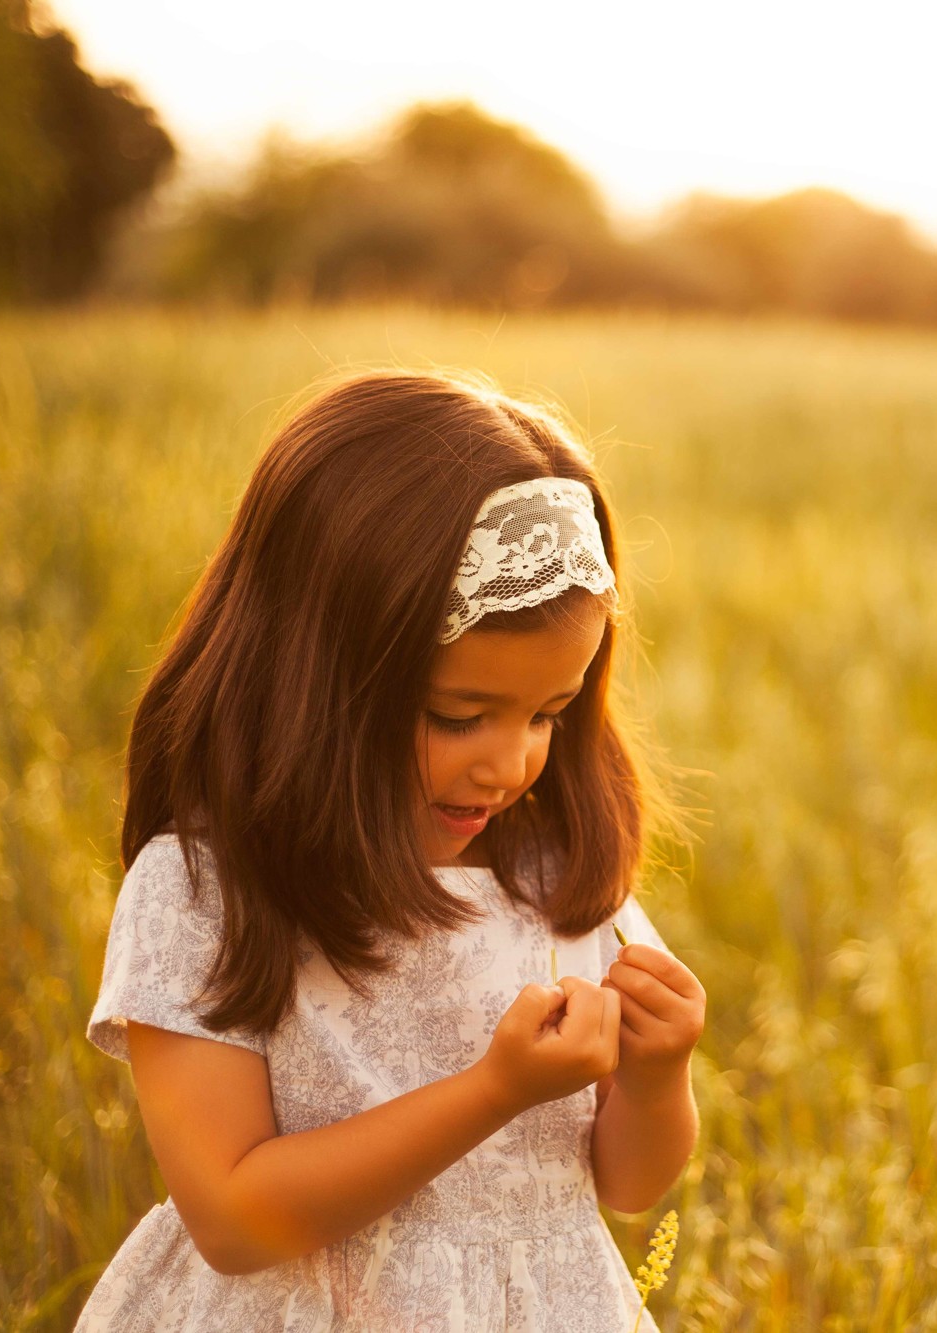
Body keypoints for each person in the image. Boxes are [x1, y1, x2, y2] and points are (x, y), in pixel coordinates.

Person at [72, 370, 704, 1331]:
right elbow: (236, 1218)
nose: (509, 765)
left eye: (551, 714)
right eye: (460, 716)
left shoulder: (551, 875)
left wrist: (658, 1078)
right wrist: (492, 1092)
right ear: (312, 676)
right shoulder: (210, 894)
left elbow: (624, 1183)